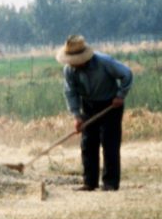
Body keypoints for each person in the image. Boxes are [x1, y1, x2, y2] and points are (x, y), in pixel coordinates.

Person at [56, 34, 133, 191]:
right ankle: (89, 182)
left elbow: (127, 74)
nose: (74, 64)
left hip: (110, 104)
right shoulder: (69, 70)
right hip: (88, 105)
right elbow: (70, 92)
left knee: (109, 142)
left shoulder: (104, 62)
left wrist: (120, 95)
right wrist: (77, 116)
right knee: (88, 143)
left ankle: (110, 183)